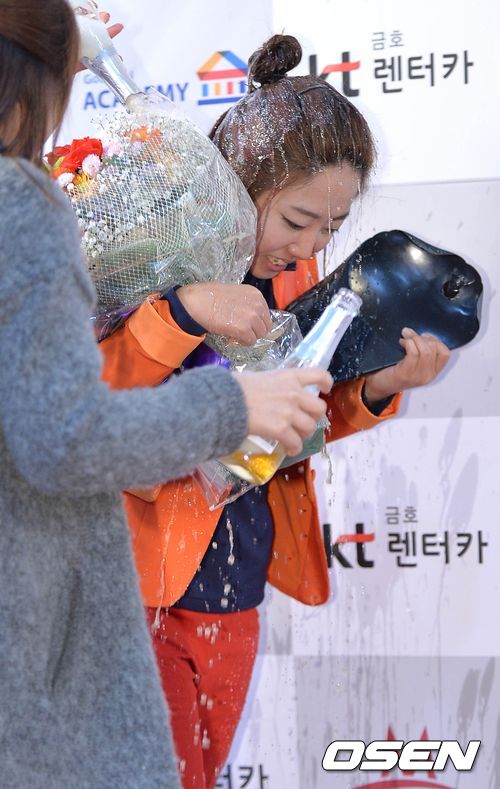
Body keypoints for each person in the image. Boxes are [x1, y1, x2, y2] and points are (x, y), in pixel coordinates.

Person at [100, 34, 451, 789]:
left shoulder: (290, 287)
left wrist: (379, 387)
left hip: (238, 590)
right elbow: (91, 402)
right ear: (237, 182)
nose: (310, 245)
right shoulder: (152, 261)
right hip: (137, 595)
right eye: (297, 220)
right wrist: (183, 310)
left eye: (331, 227)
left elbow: (292, 424)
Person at [0, 7, 333, 787]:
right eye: (297, 218)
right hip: (51, 612)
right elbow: (65, 434)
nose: (308, 244)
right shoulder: (23, 203)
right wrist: (230, 404)